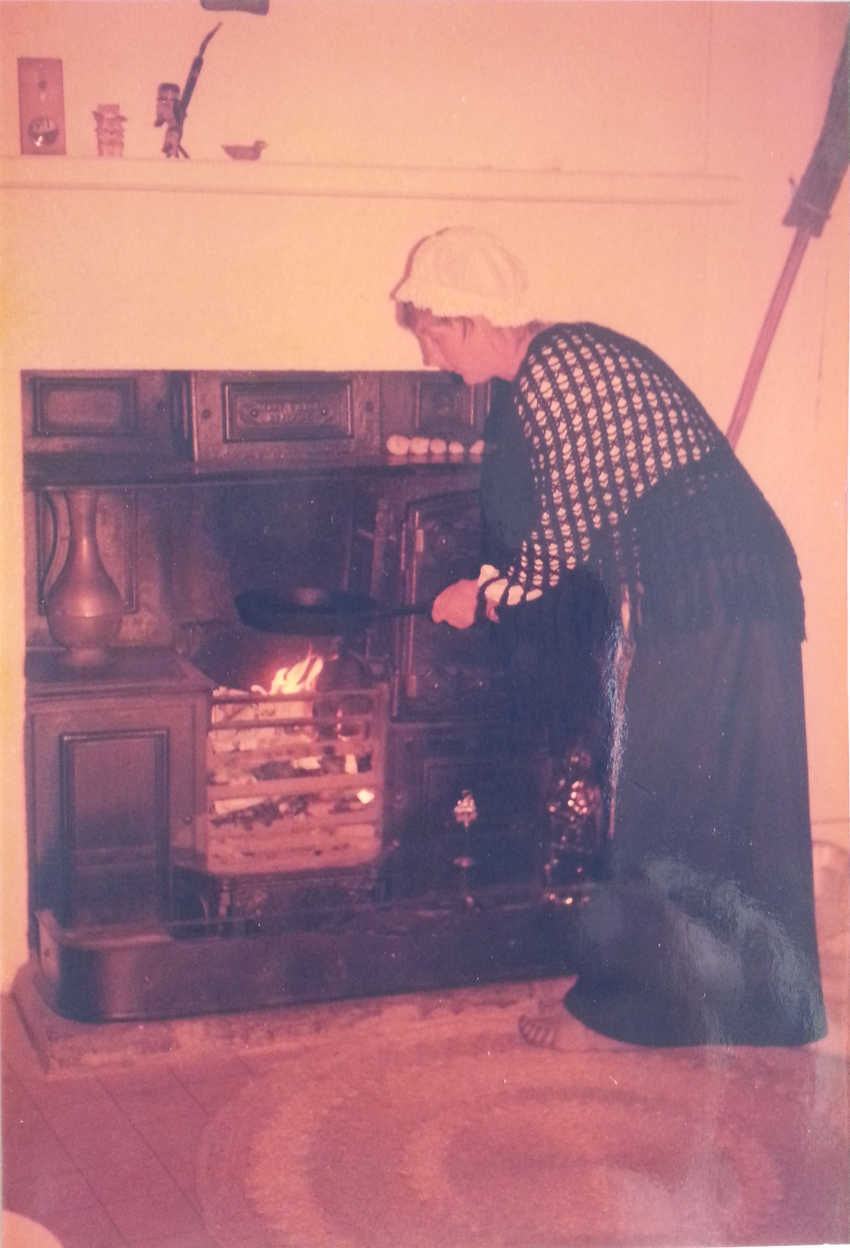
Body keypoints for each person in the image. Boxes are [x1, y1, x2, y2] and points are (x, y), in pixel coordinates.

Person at [391, 225, 826, 1048]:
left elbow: (559, 539)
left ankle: (624, 1013)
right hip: (726, 585)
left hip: (716, 587)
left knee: (665, 795)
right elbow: (588, 523)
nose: (429, 358)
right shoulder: (563, 363)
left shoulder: (556, 371)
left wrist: (479, 593)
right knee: (728, 798)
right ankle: (749, 1003)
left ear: (473, 319)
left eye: (432, 336)